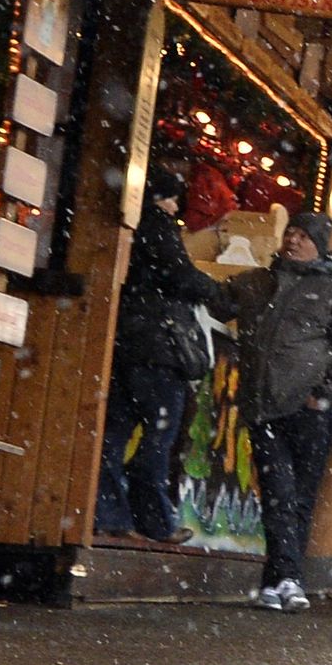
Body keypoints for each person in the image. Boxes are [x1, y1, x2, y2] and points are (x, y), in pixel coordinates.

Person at [233, 218, 332, 611]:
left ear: (321, 246)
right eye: (290, 232)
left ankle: (279, 581)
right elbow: (216, 297)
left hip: (311, 409)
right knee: (280, 492)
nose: (293, 240)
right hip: (265, 406)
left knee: (297, 496)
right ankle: (288, 579)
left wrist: (328, 392)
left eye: (304, 236)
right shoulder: (259, 282)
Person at [102, 164, 223, 548]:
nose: (175, 207)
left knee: (113, 435)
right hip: (158, 350)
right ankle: (156, 521)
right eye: (173, 198)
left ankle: (110, 514)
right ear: (163, 197)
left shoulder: (130, 223)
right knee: (159, 437)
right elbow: (180, 275)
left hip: (126, 344)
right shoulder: (158, 225)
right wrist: (218, 291)